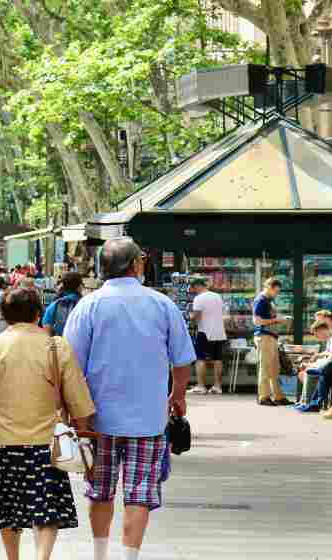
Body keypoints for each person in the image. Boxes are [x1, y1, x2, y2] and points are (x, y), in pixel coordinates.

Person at [64, 237, 194, 560]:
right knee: (139, 494)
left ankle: (99, 555)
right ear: (137, 265)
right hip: (149, 419)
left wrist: (72, 413)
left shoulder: (88, 306)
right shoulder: (162, 305)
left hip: (98, 420)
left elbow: (70, 365)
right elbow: (181, 360)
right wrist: (177, 395)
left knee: (100, 490)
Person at [0, 287, 95, 560]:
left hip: (2, 440)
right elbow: (78, 397)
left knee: (8, 505)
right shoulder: (56, 346)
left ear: (5, 315)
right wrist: (85, 431)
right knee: (47, 506)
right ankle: (42, 557)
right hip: (46, 441)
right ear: (37, 313)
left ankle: (13, 558)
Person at [292, 321, 332, 411]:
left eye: (317, 335)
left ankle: (313, 403)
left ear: (322, 330)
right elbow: (328, 357)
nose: (317, 338)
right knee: (320, 372)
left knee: (322, 370)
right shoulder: (331, 339)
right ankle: (308, 402)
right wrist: (313, 364)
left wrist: (314, 366)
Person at [186, 277, 227, 394]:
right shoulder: (217, 296)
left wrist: (190, 316)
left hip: (205, 331)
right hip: (219, 332)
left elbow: (196, 316)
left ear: (197, 286)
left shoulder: (199, 298)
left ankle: (201, 386)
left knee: (200, 359)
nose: (193, 291)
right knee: (217, 359)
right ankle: (217, 386)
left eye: (193, 288)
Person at [251, 277, 288, 405]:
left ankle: (278, 396)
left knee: (274, 368)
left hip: (271, 336)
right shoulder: (261, 300)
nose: (276, 294)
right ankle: (264, 396)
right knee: (266, 367)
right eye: (275, 291)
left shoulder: (268, 300)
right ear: (268, 288)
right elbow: (256, 321)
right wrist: (277, 320)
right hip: (264, 336)